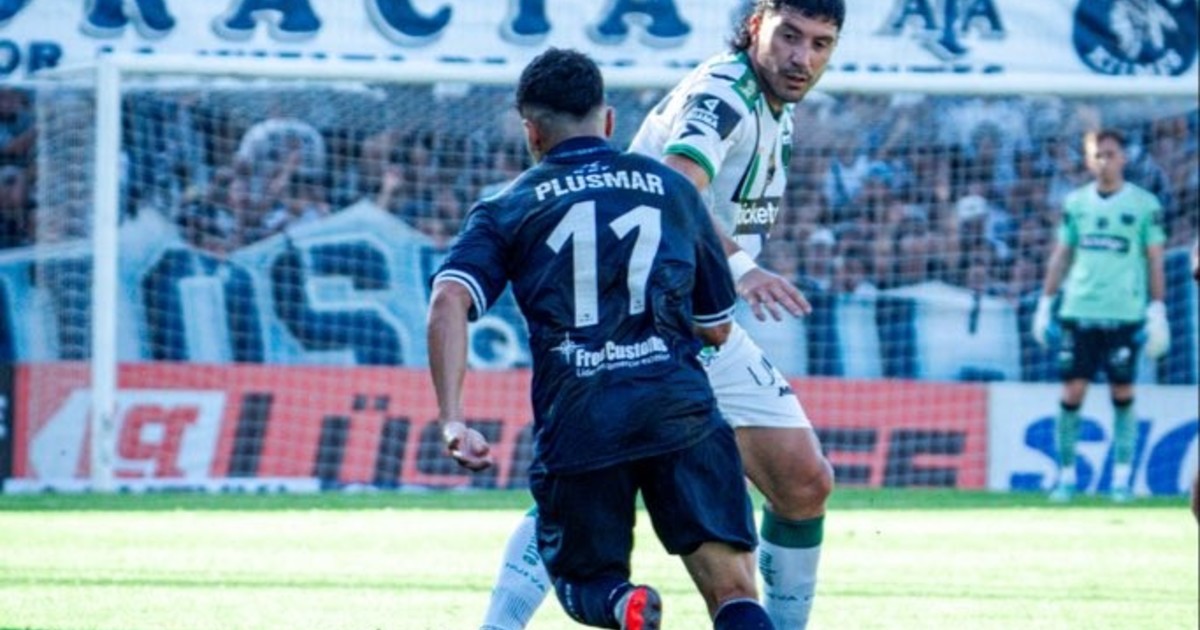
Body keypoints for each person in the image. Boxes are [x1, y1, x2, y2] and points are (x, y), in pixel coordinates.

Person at [481, 2, 841, 628]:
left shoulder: (769, 105)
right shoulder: (723, 95)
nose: (801, 57)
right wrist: (743, 269)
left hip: (699, 316)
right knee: (585, 492)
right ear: (756, 25)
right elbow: (675, 185)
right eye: (789, 36)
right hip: (649, 320)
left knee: (803, 481)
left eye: (819, 43)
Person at [427, 48, 775, 630]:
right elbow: (715, 324)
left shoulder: (507, 207)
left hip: (581, 419)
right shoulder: (673, 189)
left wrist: (453, 419)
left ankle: (622, 604)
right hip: (677, 409)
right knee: (735, 591)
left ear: (531, 132)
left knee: (586, 583)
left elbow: (447, 301)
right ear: (609, 120)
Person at [1032, 128, 1170, 503]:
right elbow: (1062, 255)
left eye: (1110, 154)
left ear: (1123, 158)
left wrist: (1157, 309)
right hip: (1078, 310)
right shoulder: (1076, 202)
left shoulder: (1144, 205)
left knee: (1122, 391)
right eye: (1097, 155)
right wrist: (1045, 304)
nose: (1104, 161)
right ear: (1088, 160)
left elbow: (1154, 259)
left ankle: (1122, 480)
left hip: (1124, 314)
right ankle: (1065, 478)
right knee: (1072, 390)